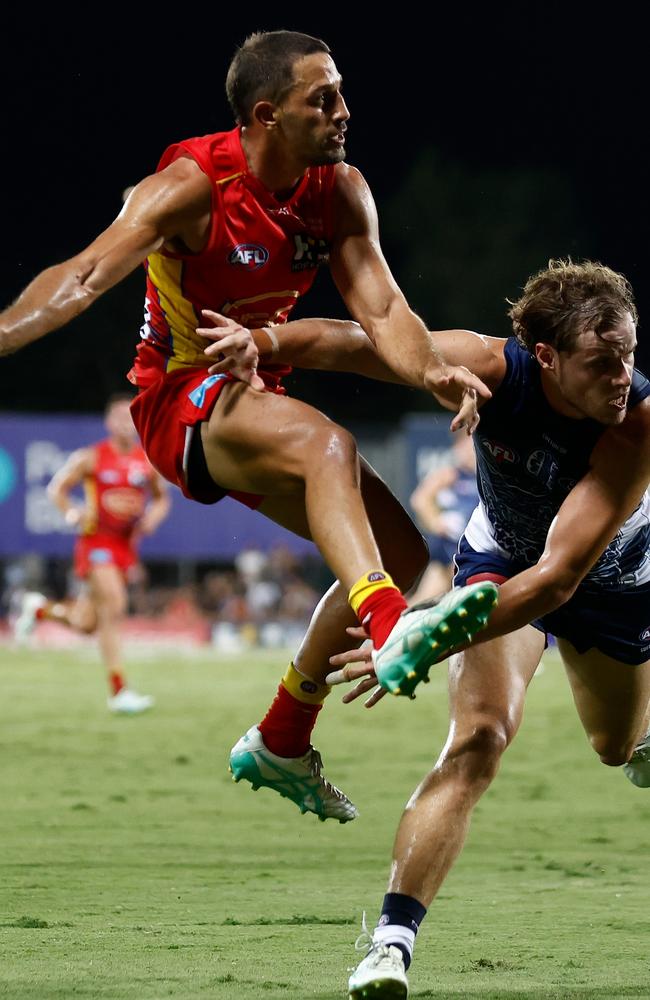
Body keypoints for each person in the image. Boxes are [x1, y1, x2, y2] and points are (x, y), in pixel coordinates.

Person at [0, 30, 497, 821]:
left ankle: (283, 735)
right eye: (322, 98)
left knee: (399, 554)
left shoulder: (338, 191)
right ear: (267, 115)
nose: (343, 111)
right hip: (179, 396)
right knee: (328, 443)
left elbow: (384, 311)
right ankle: (389, 622)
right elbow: (86, 274)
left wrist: (430, 370)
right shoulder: (191, 186)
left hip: (253, 388)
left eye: (340, 92)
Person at [245, 259, 650, 997]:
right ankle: (391, 946)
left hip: (608, 581)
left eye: (628, 355)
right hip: (500, 558)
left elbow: (556, 582)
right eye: (602, 362)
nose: (622, 376)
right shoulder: (492, 367)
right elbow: (357, 341)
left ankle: (637, 741)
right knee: (477, 740)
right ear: (548, 358)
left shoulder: (637, 422)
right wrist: (263, 345)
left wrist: (423, 637)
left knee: (613, 745)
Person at [14, 393, 171, 714]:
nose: (125, 424)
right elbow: (57, 488)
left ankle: (39, 609)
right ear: (108, 423)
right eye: (119, 418)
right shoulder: (92, 457)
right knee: (114, 605)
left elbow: (161, 498)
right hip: (96, 543)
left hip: (125, 548)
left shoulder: (146, 461)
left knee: (87, 623)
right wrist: (72, 513)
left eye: (130, 417)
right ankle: (119, 691)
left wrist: (153, 519)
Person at [408, 431, 479, 601]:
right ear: (458, 447)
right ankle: (394, 621)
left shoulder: (486, 480)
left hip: (475, 548)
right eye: (469, 447)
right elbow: (420, 500)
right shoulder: (451, 475)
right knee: (428, 599)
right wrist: (437, 522)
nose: (472, 452)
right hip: (449, 549)